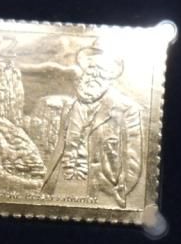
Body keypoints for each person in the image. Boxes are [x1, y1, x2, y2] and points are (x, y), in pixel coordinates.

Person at [41, 46, 143, 208]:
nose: (94, 74)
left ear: (111, 75)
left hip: (99, 191)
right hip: (59, 186)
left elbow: (132, 160)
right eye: (91, 68)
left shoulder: (127, 109)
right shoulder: (70, 106)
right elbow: (60, 147)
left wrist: (121, 191)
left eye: (101, 70)